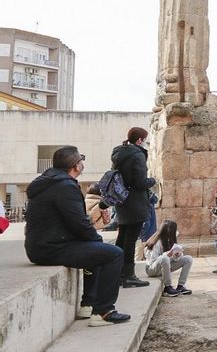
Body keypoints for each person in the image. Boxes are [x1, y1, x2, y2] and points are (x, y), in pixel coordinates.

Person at [25, 146, 130, 326]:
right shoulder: (65, 186)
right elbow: (78, 223)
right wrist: (96, 239)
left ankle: (88, 305)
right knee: (113, 254)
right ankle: (103, 311)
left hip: (40, 245)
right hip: (51, 248)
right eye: (81, 160)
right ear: (76, 166)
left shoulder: (46, 182)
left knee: (96, 250)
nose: (82, 163)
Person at [111, 127, 155, 288]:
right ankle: (128, 275)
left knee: (122, 238)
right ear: (139, 141)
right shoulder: (137, 155)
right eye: (145, 139)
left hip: (123, 202)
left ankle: (116, 271)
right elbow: (140, 182)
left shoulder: (119, 153)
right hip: (135, 203)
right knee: (130, 241)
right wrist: (152, 181)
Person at [144, 220, 193, 297]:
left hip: (165, 267)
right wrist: (167, 254)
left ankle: (180, 286)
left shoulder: (169, 241)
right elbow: (152, 260)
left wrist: (176, 255)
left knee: (188, 259)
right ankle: (168, 287)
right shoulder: (156, 242)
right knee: (165, 258)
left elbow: (170, 259)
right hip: (151, 269)